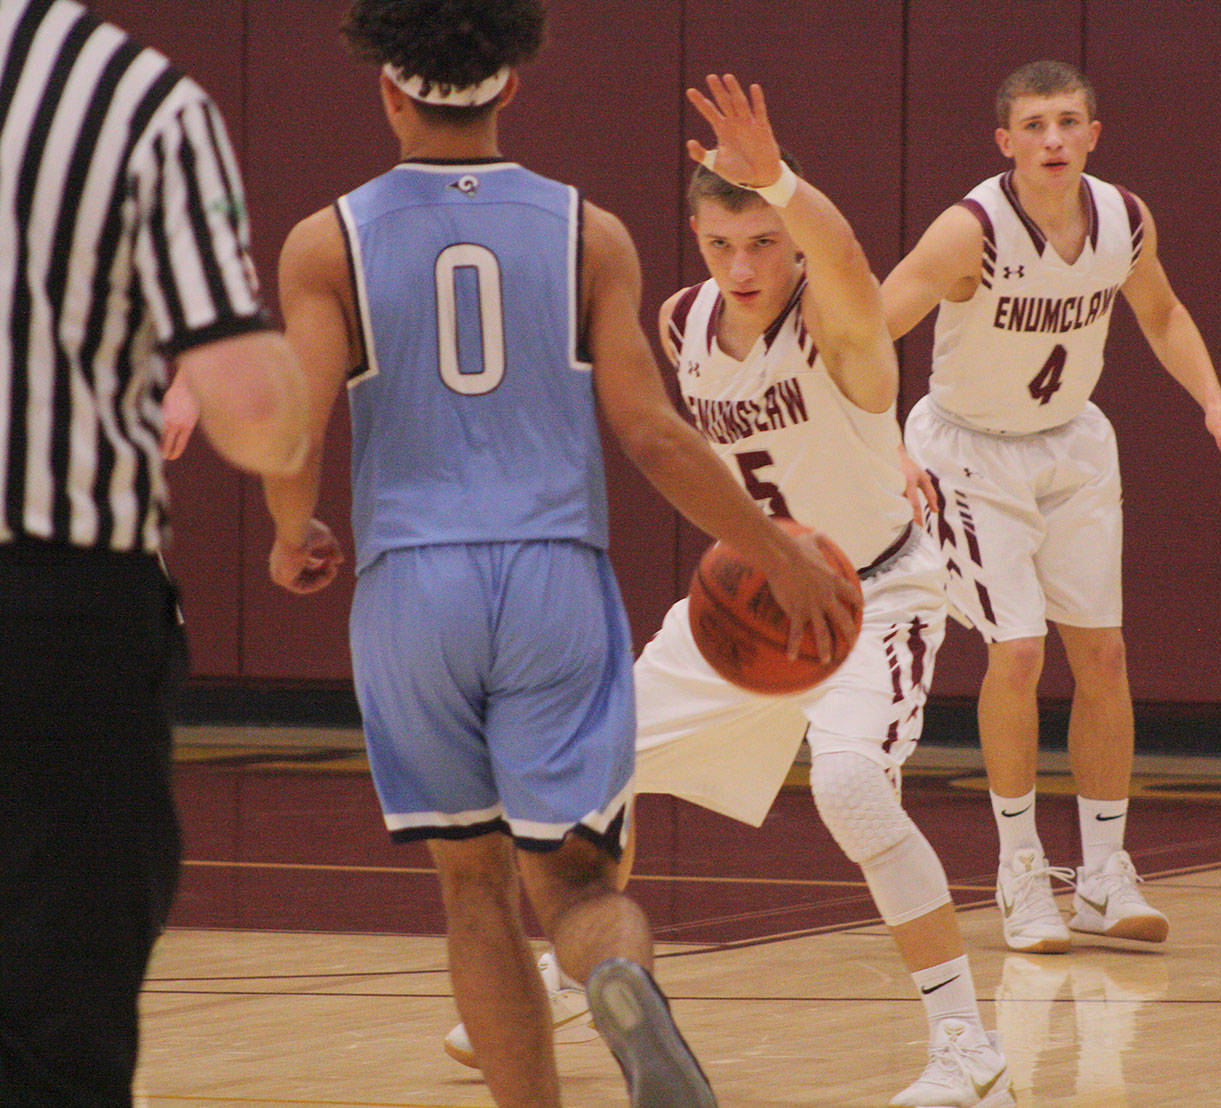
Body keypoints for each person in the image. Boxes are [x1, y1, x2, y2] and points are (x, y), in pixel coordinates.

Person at [259, 5, 859, 1107]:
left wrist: (290, 527)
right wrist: (774, 550)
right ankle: (616, 975)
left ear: (388, 92)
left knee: (473, 890)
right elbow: (650, 434)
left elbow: (294, 427)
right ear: (511, 87)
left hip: (411, 585)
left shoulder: (322, 241)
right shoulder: (590, 233)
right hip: (551, 576)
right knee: (577, 880)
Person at [623, 75, 1011, 1108]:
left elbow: (843, 260)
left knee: (846, 788)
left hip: (868, 599)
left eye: (761, 240)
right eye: (720, 244)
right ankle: (588, 968)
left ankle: (965, 1044)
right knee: (587, 757)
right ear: (697, 241)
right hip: (749, 601)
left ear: (787, 237)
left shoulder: (838, 330)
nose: (742, 266)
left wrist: (783, 179)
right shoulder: (686, 322)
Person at [881, 60, 1221, 955]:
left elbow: (1161, 314)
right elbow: (866, 331)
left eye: (1067, 123)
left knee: (1106, 654)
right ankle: (1020, 874)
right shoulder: (967, 231)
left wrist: (1212, 398)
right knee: (1017, 651)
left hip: (1073, 446)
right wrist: (885, 448)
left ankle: (1102, 874)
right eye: (1034, 125)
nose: (1052, 139)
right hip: (969, 454)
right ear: (1005, 141)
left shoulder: (1124, 218)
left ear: (1093, 134)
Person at [0, 2, 310, 1105]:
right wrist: (283, 405)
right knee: (55, 1010)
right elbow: (248, 407)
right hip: (57, 607)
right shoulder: (135, 99)